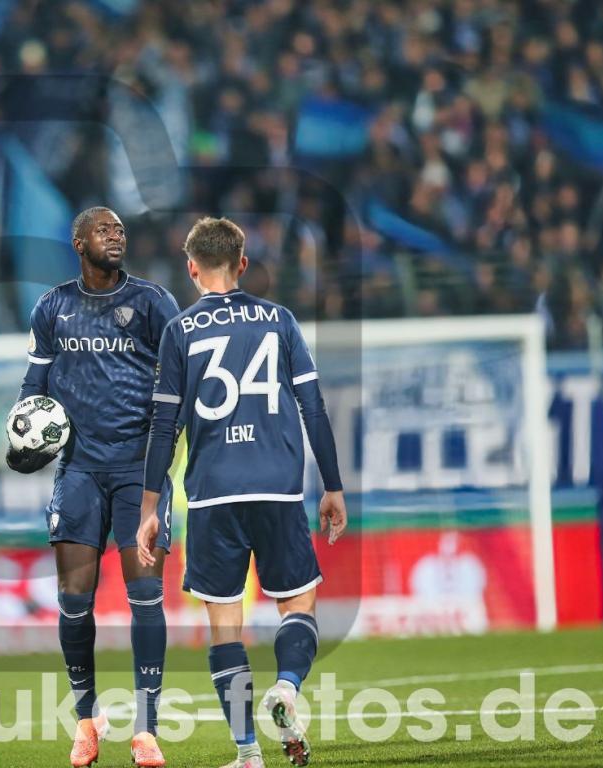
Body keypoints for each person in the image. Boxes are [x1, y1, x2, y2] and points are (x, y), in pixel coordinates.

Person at [137, 217, 347, 768]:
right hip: (277, 489)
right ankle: (287, 687)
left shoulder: (179, 331)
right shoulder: (279, 320)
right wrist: (333, 485)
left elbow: (164, 427)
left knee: (224, 624)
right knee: (297, 602)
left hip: (210, 497)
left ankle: (249, 753)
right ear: (244, 264)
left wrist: (150, 506)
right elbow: (313, 408)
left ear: (192, 269)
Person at [8, 206, 179, 767]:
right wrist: (24, 436)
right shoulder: (52, 308)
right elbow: (34, 385)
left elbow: (178, 386)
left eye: (120, 229)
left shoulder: (154, 303)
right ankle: (86, 721)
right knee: (74, 602)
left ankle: (146, 730)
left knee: (145, 597)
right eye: (103, 230)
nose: (115, 235)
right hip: (78, 470)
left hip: (139, 472)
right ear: (78, 242)